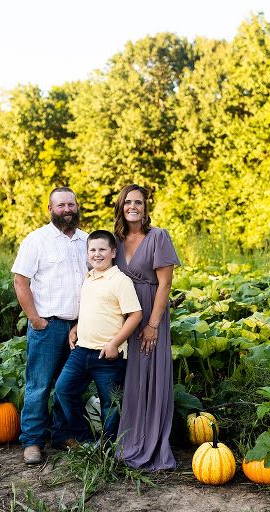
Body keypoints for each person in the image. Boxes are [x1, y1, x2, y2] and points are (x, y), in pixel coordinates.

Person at [11, 186, 88, 464]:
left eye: (71, 204)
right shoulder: (37, 240)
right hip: (48, 325)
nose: (67, 210)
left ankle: (63, 434)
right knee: (39, 385)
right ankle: (32, 441)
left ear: (77, 206)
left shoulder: (86, 241)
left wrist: (84, 323)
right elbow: (21, 281)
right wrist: (35, 319)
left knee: (70, 385)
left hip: (79, 328)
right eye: (61, 205)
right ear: (50, 209)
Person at [113, 184, 180, 470]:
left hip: (150, 315)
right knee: (127, 377)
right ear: (120, 206)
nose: (133, 207)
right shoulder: (114, 241)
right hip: (123, 316)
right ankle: (126, 438)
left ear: (145, 207)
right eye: (128, 202)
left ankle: (150, 443)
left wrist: (153, 324)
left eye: (138, 203)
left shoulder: (158, 237)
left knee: (149, 376)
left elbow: (165, 284)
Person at [54, 230, 143, 446]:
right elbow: (94, 309)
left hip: (108, 355)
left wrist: (114, 344)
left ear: (113, 252)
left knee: (110, 404)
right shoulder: (89, 277)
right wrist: (76, 326)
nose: (97, 254)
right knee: (63, 389)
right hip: (82, 350)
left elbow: (135, 314)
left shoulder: (120, 280)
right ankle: (84, 439)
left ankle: (109, 447)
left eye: (102, 249)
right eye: (92, 250)